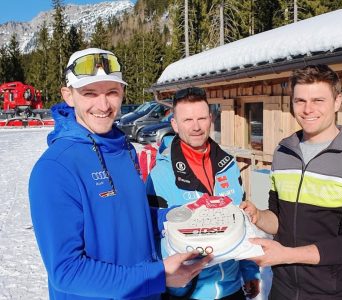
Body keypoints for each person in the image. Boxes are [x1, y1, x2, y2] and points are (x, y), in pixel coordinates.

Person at [28, 48, 211, 300]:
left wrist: (182, 215)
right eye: (89, 93)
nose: (103, 105)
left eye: (112, 92)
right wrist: (157, 276)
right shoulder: (55, 169)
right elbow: (67, 272)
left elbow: (130, 215)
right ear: (68, 96)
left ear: (122, 92)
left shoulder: (125, 149)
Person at [241, 64, 342, 299]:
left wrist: (286, 255)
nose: (308, 109)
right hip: (284, 290)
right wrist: (258, 216)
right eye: (300, 101)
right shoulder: (284, 152)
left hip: (334, 292)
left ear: (337, 101)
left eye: (318, 100)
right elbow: (280, 221)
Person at [146, 87, 261, 300]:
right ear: (174, 124)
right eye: (187, 120)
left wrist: (249, 270)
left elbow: (241, 223)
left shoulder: (229, 165)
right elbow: (150, 235)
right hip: (188, 291)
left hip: (231, 288)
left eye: (201, 118)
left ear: (211, 118)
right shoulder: (160, 174)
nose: (196, 127)